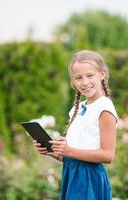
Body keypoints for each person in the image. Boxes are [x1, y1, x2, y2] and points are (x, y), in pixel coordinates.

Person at [33, 50, 118, 200]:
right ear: (73, 81)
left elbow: (108, 155)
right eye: (78, 78)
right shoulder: (77, 110)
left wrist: (69, 151)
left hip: (90, 179)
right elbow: (74, 156)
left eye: (90, 75)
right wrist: (52, 151)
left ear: (102, 74)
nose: (85, 82)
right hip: (72, 176)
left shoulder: (104, 107)